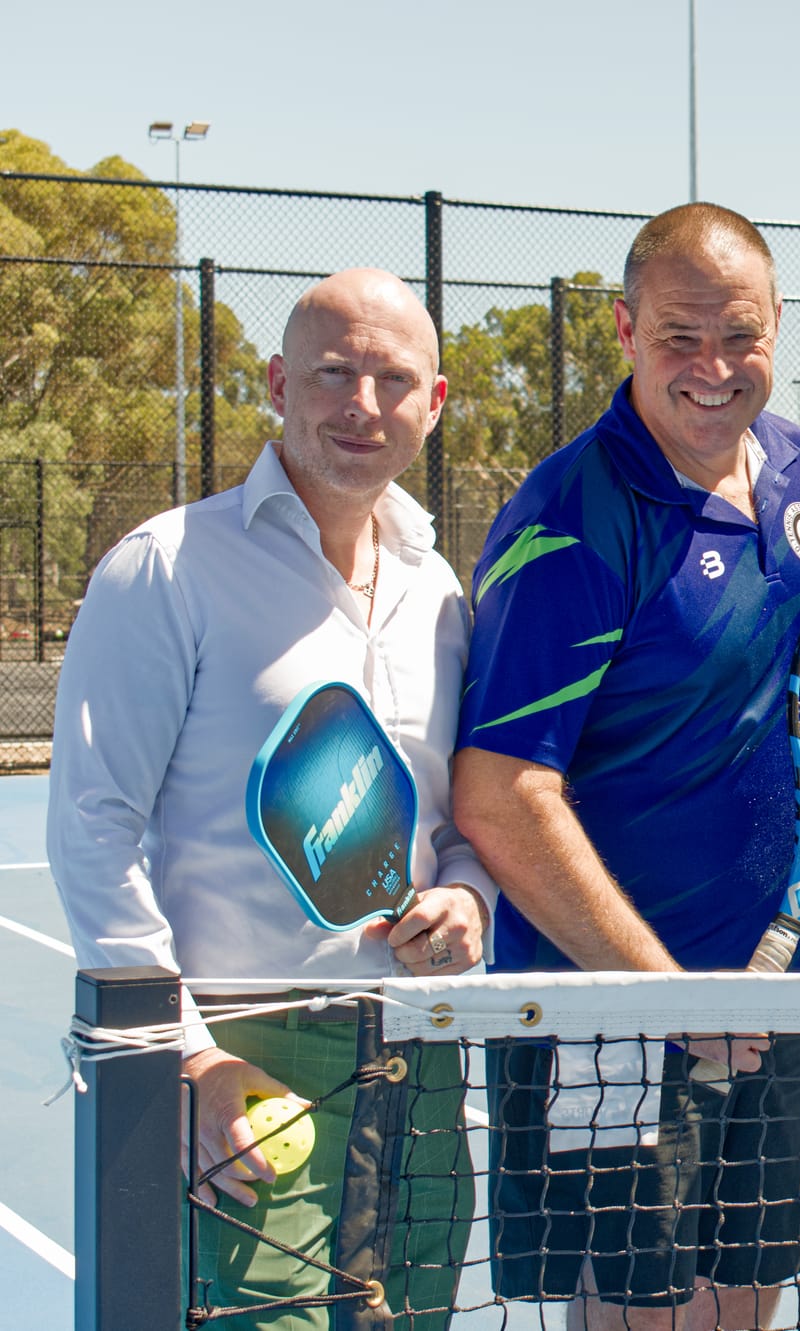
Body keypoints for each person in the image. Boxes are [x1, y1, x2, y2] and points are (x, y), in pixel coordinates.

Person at [46, 268, 491, 1328]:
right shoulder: (165, 568)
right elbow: (93, 829)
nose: (362, 405)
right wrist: (189, 1056)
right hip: (245, 1057)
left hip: (420, 1053)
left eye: (394, 379)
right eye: (334, 373)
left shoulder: (439, 590)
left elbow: (455, 816)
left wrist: (468, 893)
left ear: (434, 402)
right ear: (278, 383)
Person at [451, 201, 800, 1331]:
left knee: (746, 1287)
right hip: (608, 1011)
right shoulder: (570, 519)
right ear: (626, 331)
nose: (712, 367)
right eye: (680, 336)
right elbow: (501, 794)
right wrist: (671, 999)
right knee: (640, 1310)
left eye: (739, 335)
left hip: (763, 982)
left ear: (778, 325)